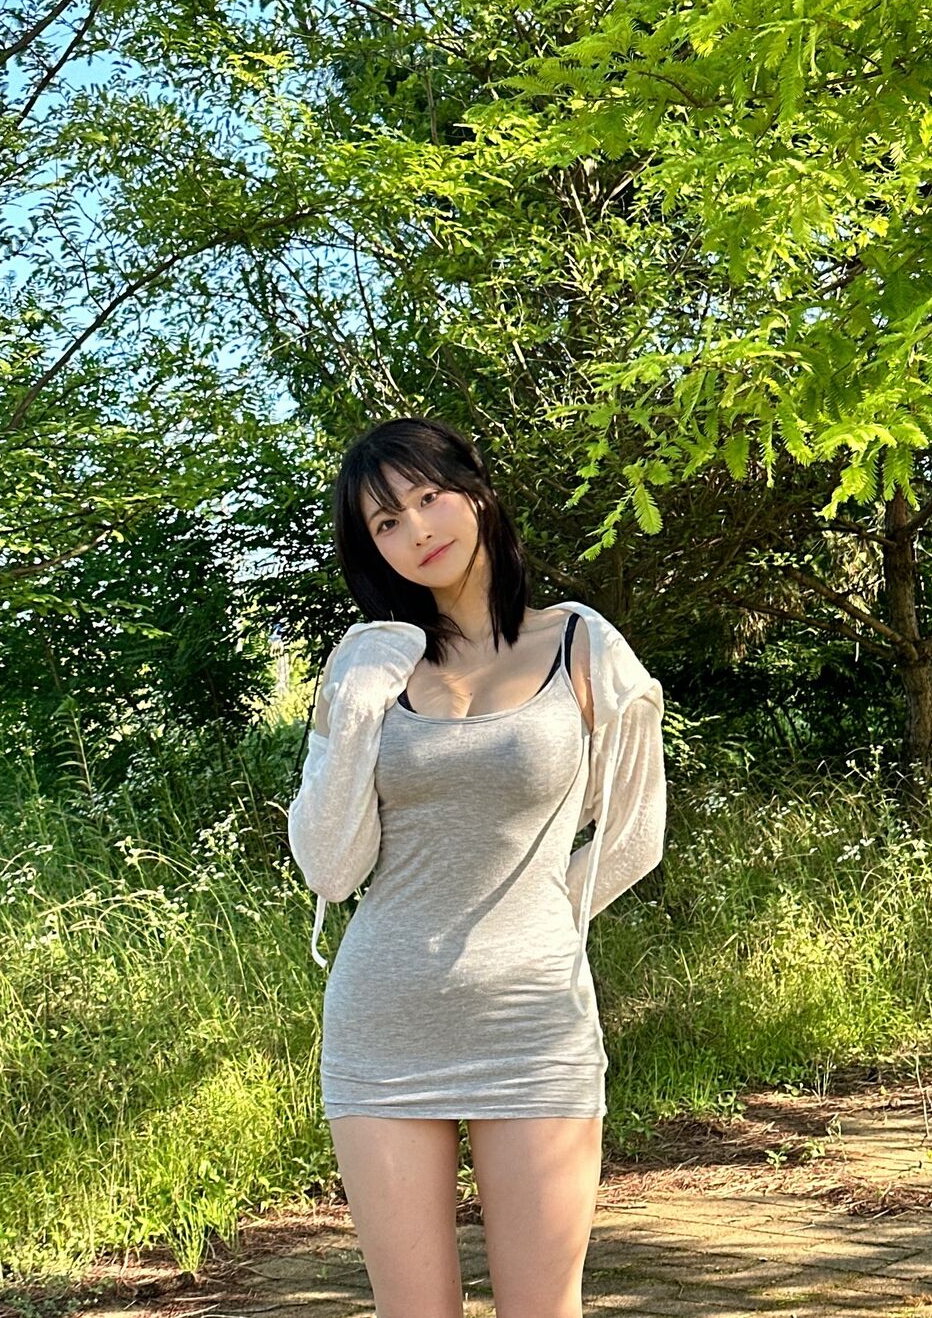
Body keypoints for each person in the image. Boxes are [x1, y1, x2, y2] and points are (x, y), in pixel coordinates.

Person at [287, 416, 667, 1318]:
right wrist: (356, 708)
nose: (418, 529)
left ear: (477, 493)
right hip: (384, 1023)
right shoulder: (369, 665)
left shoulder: (580, 645)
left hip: (533, 1022)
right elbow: (332, 868)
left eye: (429, 497)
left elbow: (634, 834)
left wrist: (538, 923)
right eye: (386, 522)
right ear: (373, 549)